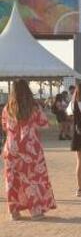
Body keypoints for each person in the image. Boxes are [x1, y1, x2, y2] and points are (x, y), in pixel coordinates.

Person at [2, 79, 56, 220]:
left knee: (12, 179)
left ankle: (14, 212)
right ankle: (35, 210)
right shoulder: (34, 107)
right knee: (33, 178)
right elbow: (44, 124)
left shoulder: (7, 108)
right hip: (30, 147)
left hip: (12, 147)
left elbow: (5, 126)